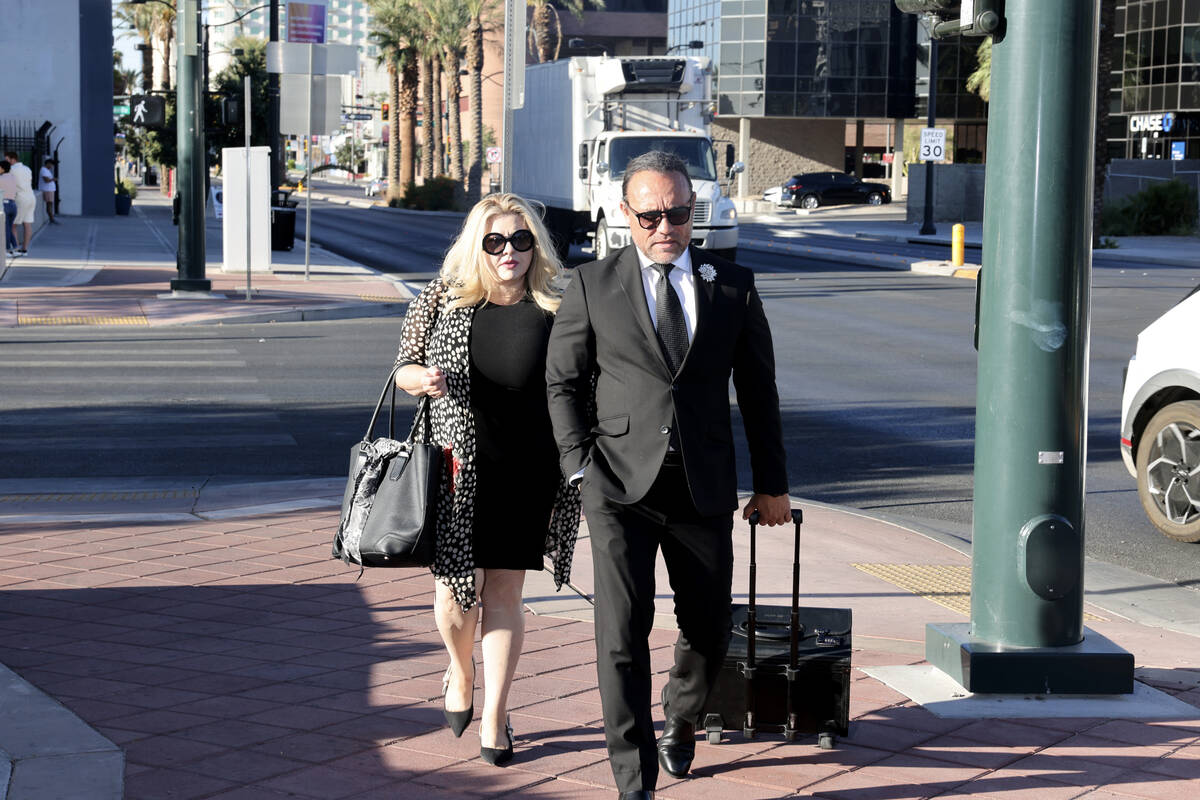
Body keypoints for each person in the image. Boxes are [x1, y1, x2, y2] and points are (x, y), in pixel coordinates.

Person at [546, 151, 791, 799]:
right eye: (650, 214)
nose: (664, 226)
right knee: (621, 634)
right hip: (617, 489)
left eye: (677, 213)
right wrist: (578, 467)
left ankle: (682, 717)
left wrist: (773, 486)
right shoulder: (593, 285)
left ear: (692, 213)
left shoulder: (731, 285)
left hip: (702, 487)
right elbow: (562, 381)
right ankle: (634, 779)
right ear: (625, 214)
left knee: (709, 628)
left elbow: (759, 393)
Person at [393, 192, 581, 767]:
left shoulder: (557, 306)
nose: (509, 252)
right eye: (495, 241)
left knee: (504, 593)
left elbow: (579, 386)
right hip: (458, 472)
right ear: (477, 244)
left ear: (536, 247)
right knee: (454, 599)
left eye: (521, 241)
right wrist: (419, 377)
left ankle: (496, 716)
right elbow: (400, 368)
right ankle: (459, 667)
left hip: (529, 473)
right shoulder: (440, 301)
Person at [5, 153, 35, 255]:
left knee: (13, 225)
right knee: (27, 223)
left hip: (20, 198)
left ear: (12, 159)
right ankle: (24, 249)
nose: (6, 162)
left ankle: (16, 249)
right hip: (31, 197)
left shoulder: (11, 170)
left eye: (7, 159)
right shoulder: (27, 169)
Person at [0, 161, 17, 255]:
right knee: (9, 228)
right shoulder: (13, 177)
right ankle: (14, 248)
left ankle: (7, 250)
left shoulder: (1, 178)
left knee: (5, 229)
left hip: (5, 205)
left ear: (2, 168)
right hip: (13, 205)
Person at [39, 159, 57, 224]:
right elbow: (46, 180)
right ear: (48, 163)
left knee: (50, 205)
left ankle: (52, 218)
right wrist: (53, 179)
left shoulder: (47, 170)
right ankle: (52, 219)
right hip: (47, 190)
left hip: (50, 190)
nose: (52, 166)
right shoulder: (43, 170)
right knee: (49, 205)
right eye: (51, 164)